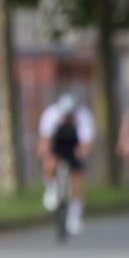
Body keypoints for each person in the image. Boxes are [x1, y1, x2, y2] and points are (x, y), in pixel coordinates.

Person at [38, 93, 95, 234]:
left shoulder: (84, 116)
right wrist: (46, 154)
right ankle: (51, 187)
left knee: (77, 176)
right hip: (57, 144)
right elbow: (45, 140)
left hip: (74, 146)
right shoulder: (51, 115)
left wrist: (82, 153)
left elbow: (86, 142)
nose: (68, 117)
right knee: (50, 162)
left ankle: (75, 214)